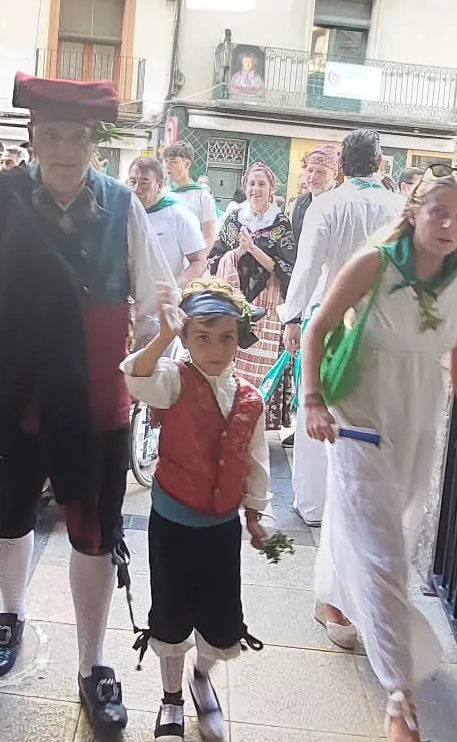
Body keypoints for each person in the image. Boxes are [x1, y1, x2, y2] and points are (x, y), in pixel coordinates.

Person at [0, 73, 172, 735]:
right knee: (8, 518)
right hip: (19, 395)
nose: (66, 148)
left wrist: (153, 385)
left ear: (96, 142)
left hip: (97, 399)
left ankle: (93, 666)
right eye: (53, 136)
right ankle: (11, 611)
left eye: (78, 137)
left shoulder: (124, 205)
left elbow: (153, 306)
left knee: (95, 534)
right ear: (33, 137)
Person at [300, 173, 457, 742]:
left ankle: (333, 598)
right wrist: (312, 400)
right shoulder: (374, 264)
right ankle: (399, 698)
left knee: (387, 531)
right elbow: (317, 330)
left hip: (418, 424)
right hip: (361, 421)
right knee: (385, 555)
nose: (449, 226)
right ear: (415, 212)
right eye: (439, 213)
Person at [123, 278, 271, 742]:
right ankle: (171, 698)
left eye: (226, 337)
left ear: (240, 340)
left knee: (221, 616)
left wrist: (255, 513)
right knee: (170, 611)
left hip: (222, 525)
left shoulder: (250, 397)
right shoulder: (173, 380)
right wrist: (165, 337)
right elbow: (134, 374)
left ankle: (202, 675)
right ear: (187, 340)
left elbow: (254, 459)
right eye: (202, 336)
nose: (215, 348)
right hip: (173, 523)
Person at [279, 131, 401, 529]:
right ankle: (358, 505)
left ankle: (313, 505)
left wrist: (293, 317)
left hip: (328, 322)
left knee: (318, 405)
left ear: (342, 167)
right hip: (382, 325)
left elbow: (308, 266)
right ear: (380, 164)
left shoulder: (328, 205)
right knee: (368, 412)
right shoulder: (399, 207)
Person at [210, 163, 297, 424]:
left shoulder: (281, 222)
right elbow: (215, 258)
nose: (255, 189)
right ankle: (231, 414)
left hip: (269, 301)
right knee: (233, 360)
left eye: (261, 184)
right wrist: (238, 252)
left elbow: (288, 268)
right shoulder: (235, 218)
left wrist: (254, 250)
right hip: (237, 299)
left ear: (271, 189)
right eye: (251, 183)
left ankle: (255, 419)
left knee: (262, 363)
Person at [128, 156, 208, 284]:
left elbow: (199, 262)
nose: (137, 189)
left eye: (144, 183)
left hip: (163, 298)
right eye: (132, 182)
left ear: (159, 185)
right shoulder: (124, 213)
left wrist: (175, 289)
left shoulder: (179, 215)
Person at [161, 144, 220, 245]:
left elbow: (210, 236)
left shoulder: (202, 196)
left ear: (187, 164)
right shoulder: (164, 194)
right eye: (166, 162)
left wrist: (200, 259)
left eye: (173, 162)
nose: (168, 166)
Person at [290, 145, 342, 245]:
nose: (313, 177)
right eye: (310, 170)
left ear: (334, 174)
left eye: (320, 172)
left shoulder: (344, 203)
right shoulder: (298, 204)